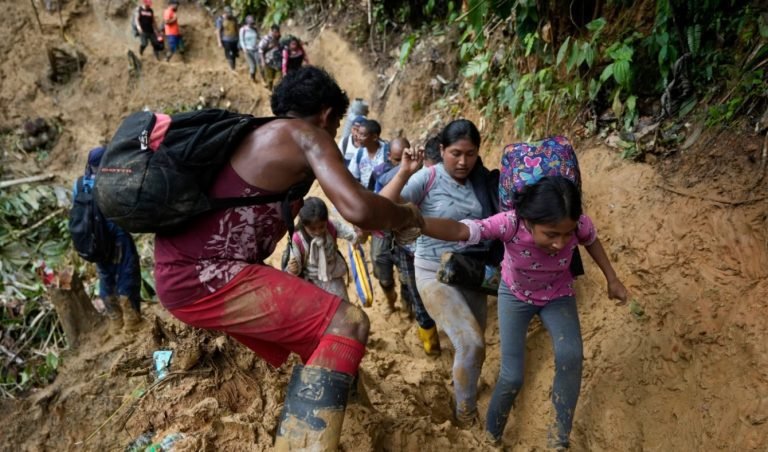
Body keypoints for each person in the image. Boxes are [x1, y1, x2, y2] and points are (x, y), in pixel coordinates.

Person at [152, 66, 424, 450]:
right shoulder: (307, 135)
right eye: (336, 124)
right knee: (348, 324)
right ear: (327, 115)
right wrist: (407, 216)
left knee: (320, 337)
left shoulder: (258, 133)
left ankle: (352, 415)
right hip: (202, 274)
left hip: (187, 270)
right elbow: (358, 209)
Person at [419, 175, 629, 449]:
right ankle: (492, 434)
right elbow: (462, 231)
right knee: (512, 375)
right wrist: (419, 223)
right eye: (551, 234)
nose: (560, 243)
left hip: (558, 295)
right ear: (529, 220)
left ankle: (558, 439)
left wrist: (612, 279)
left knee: (571, 357)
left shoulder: (577, 223)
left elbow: (591, 240)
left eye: (566, 234)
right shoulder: (510, 223)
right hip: (515, 296)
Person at [380, 119, 497, 426]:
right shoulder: (427, 178)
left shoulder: (482, 180)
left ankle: (466, 387)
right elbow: (380, 208)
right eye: (456, 153)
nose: (463, 161)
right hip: (433, 272)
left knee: (476, 344)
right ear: (442, 150)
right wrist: (405, 170)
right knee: (470, 343)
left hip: (472, 272)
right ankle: (465, 412)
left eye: (470, 154)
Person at [376, 137, 441, 355]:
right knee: (416, 294)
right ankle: (431, 344)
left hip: (436, 248)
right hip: (407, 250)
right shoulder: (393, 179)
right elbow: (379, 208)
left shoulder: (450, 182)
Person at [74, 147, 142, 335]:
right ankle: (132, 321)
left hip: (94, 243)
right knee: (127, 273)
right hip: (117, 238)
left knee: (106, 277)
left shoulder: (79, 184)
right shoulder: (110, 182)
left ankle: (115, 321)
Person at [285, 197, 358, 302]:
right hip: (311, 281)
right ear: (304, 225)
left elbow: (350, 234)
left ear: (326, 220)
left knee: (343, 306)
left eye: (321, 227)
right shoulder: (296, 239)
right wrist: (293, 269)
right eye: (312, 229)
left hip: (334, 275)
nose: (318, 232)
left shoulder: (332, 225)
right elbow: (294, 267)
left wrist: (356, 237)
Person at [348, 119, 389, 189]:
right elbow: (352, 177)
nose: (358, 137)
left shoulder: (388, 153)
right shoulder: (359, 153)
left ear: (375, 137)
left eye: (362, 135)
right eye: (358, 133)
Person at [215, 5, 239, 71]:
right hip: (226, 40)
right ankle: (232, 69)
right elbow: (218, 31)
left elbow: (237, 28)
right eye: (228, 14)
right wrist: (219, 42)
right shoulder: (220, 20)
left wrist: (239, 39)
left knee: (234, 55)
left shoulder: (234, 19)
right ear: (224, 13)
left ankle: (233, 67)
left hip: (234, 40)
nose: (229, 15)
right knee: (230, 54)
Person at [258, 24, 282, 90]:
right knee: (270, 79)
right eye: (275, 32)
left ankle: (276, 90)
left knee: (279, 79)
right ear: (271, 31)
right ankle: (270, 90)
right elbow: (260, 50)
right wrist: (263, 61)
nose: (277, 33)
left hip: (278, 62)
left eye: (278, 31)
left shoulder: (280, 38)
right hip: (269, 62)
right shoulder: (266, 39)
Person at [239, 15, 261, 82]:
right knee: (253, 66)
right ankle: (252, 77)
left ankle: (263, 79)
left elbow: (259, 37)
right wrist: (244, 48)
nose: (252, 24)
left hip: (256, 49)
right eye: (251, 23)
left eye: (253, 23)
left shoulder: (254, 29)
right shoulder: (243, 30)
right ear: (247, 22)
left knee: (259, 65)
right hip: (248, 50)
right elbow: (241, 40)